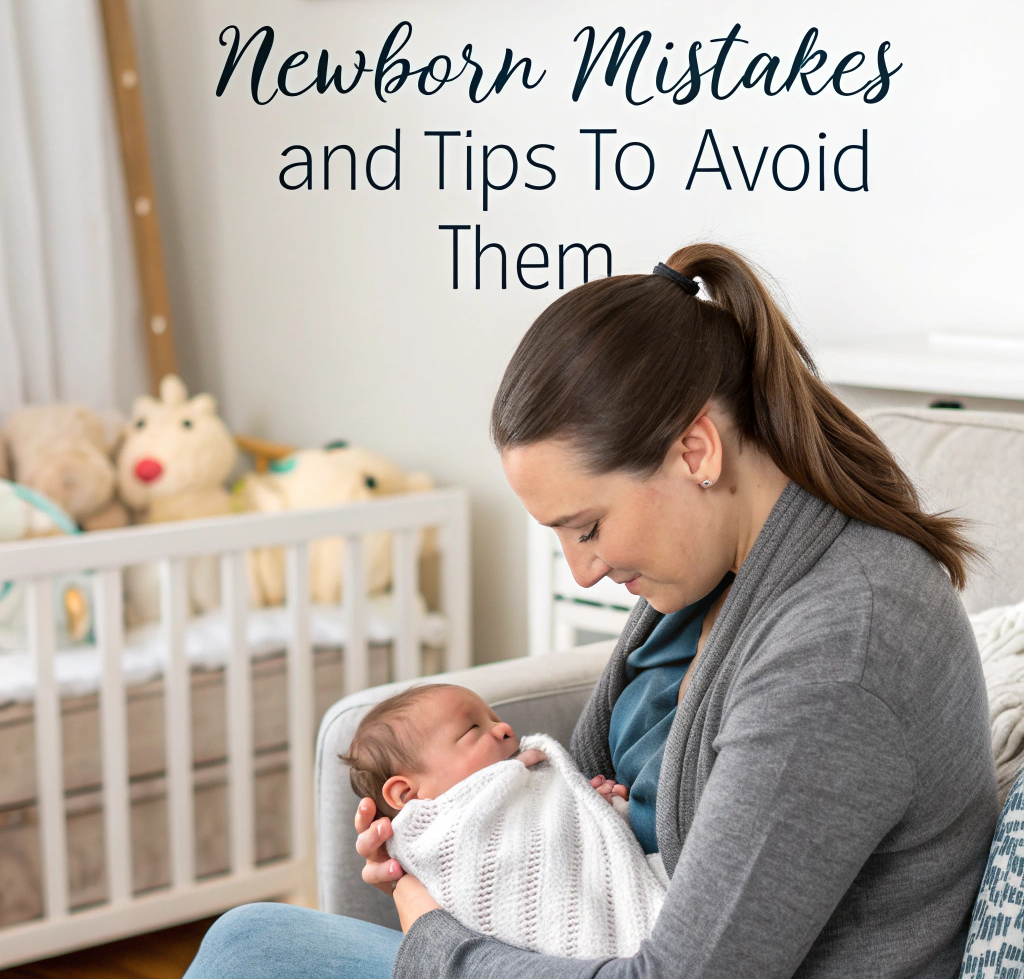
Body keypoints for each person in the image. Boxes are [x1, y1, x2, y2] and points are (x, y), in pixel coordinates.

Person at [185, 243, 997, 979]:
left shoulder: (845, 641)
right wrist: (460, 841)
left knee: (251, 949)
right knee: (252, 941)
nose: (583, 570)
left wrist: (429, 933)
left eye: (589, 526)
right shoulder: (707, 583)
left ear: (695, 451)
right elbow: (573, 810)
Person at [340, 683, 664, 958]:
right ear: (406, 794)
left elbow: (560, 842)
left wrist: (586, 809)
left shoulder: (522, 778)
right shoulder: (441, 837)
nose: (505, 728)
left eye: (494, 718)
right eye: (473, 729)